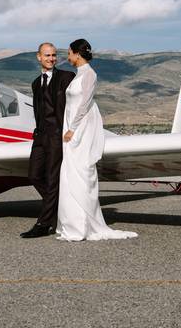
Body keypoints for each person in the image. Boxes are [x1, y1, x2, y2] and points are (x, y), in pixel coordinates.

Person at [56, 39, 137, 241]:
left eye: (69, 53)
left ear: (76, 53)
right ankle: (72, 224)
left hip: (79, 130)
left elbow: (84, 105)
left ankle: (83, 225)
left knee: (81, 173)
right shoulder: (79, 75)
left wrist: (72, 130)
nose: (67, 57)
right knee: (69, 174)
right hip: (72, 128)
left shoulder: (90, 74)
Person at [21, 42, 75, 238]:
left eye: (54, 55)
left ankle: (44, 223)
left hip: (57, 135)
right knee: (34, 175)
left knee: (52, 179)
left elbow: (78, 103)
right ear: (39, 57)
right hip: (40, 135)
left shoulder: (67, 77)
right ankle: (59, 207)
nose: (51, 58)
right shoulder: (36, 83)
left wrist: (71, 130)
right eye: (47, 55)